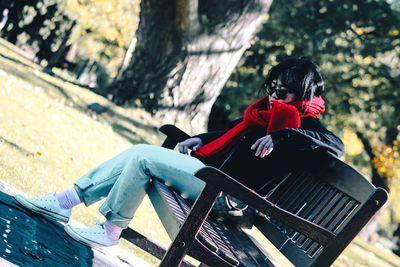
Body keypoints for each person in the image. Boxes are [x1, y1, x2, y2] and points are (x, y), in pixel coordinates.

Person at [15, 57, 344, 248]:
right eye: (271, 87)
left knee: (144, 157)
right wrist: (200, 139)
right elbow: (232, 133)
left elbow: (336, 147)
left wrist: (284, 135)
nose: (273, 95)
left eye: (281, 91)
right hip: (214, 182)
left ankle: (108, 230)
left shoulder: (306, 126)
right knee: (139, 155)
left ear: (301, 95)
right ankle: (65, 202)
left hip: (228, 197)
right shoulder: (264, 114)